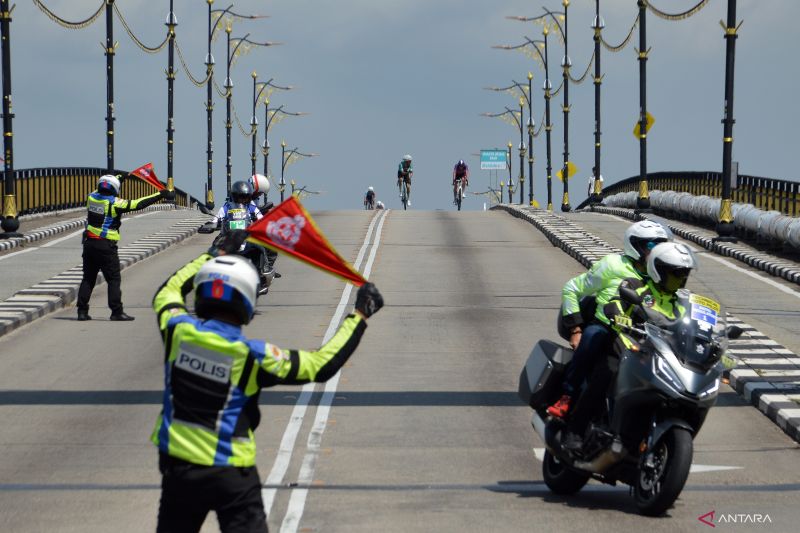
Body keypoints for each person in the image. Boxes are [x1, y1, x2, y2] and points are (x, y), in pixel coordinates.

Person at [151, 229, 384, 532]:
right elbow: (321, 365)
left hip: (179, 470)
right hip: (231, 473)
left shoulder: (176, 332)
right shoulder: (251, 357)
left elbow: (167, 292)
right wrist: (359, 315)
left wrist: (215, 254)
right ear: (247, 303)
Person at [561, 241, 697, 451]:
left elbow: (691, 326)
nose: (681, 279)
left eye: (684, 274)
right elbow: (614, 303)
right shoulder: (636, 286)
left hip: (660, 354)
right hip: (627, 346)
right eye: (676, 274)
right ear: (659, 271)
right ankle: (575, 430)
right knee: (607, 373)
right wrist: (617, 315)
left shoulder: (682, 301)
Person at [547, 220, 673, 421]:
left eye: (661, 245)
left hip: (644, 334)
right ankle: (567, 396)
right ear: (637, 245)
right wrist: (576, 330)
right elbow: (571, 289)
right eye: (652, 245)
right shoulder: (612, 265)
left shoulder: (661, 274)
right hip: (608, 327)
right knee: (592, 338)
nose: (657, 250)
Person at [77, 174, 174, 321]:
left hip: (89, 244)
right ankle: (116, 312)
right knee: (113, 279)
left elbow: (101, 189)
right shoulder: (114, 203)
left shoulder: (91, 198)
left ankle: (82, 312)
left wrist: (117, 179)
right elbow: (137, 204)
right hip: (106, 246)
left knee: (88, 278)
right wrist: (160, 194)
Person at [211, 180, 273, 295]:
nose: (242, 200)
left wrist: (264, 225)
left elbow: (260, 218)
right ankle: (211, 275)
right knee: (214, 247)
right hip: (228, 235)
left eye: (245, 197)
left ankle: (262, 274)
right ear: (234, 196)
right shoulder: (226, 206)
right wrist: (211, 225)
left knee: (259, 248)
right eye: (240, 197)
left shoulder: (251, 207)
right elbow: (216, 218)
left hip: (246, 235)